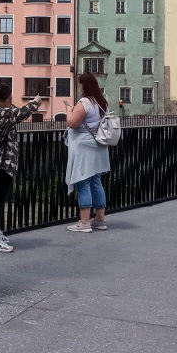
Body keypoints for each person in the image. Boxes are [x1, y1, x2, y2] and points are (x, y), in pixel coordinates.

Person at [0, 84, 40, 252]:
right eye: (9, 100)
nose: (11, 103)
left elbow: (15, 112)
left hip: (1, 164)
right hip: (2, 165)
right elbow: (20, 113)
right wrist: (36, 102)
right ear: (0, 101)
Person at [64, 72, 111, 233]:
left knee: (83, 180)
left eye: (80, 84)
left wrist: (69, 110)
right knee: (96, 181)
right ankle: (100, 220)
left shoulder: (85, 102)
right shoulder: (101, 102)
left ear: (84, 85)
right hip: (98, 145)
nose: (79, 87)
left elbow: (72, 123)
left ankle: (84, 222)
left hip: (84, 146)